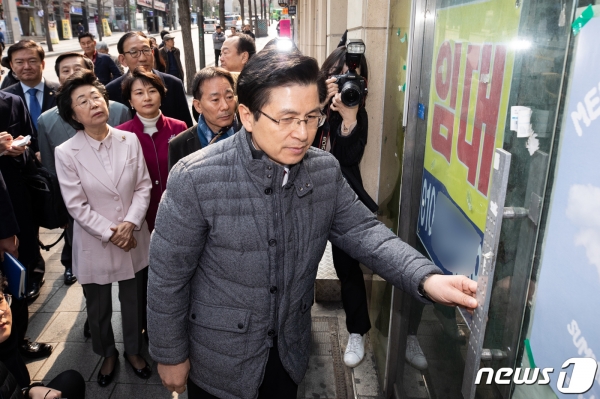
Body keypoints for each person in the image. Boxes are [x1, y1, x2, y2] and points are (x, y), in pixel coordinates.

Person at [147, 49, 478, 398]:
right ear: (246, 115)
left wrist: (426, 278)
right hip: (220, 360)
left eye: (311, 117)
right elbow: (168, 276)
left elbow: (366, 233)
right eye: (286, 119)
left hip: (291, 353)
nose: (302, 134)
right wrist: (170, 355)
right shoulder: (196, 178)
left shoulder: (323, 171)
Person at [54, 70, 153, 387]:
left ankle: (134, 351)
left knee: (134, 300)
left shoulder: (129, 139)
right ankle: (107, 353)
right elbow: (76, 205)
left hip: (133, 236)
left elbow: (143, 187)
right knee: (98, 308)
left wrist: (130, 224)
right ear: (73, 114)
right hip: (96, 241)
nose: (93, 102)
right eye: (83, 100)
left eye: (96, 96)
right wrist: (113, 232)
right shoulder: (66, 152)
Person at [37, 52, 132, 289]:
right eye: (65, 71)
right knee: (94, 285)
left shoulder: (118, 111)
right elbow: (50, 171)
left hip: (123, 211)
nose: (72, 74)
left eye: (77, 69)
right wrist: (61, 212)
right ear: (57, 77)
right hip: (80, 212)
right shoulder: (47, 121)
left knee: (130, 280)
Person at [311, 45, 377, 368]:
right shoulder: (311, 105)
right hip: (305, 197)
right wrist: (320, 106)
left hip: (341, 201)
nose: (350, 81)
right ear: (327, 75)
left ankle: (357, 332)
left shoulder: (356, 112)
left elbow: (351, 159)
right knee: (300, 264)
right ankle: (294, 321)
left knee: (348, 267)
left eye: (356, 76)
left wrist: (348, 119)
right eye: (342, 74)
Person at [0, 55, 53, 361]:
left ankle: (18, 340)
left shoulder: (11, 102)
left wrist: (15, 150)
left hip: (16, 208)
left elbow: (30, 152)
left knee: (16, 277)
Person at [2, 39, 58, 299]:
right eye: (19, 62)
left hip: (19, 190)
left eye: (32, 60)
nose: (26, 67)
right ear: (11, 67)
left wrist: (19, 151)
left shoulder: (11, 103)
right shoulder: (11, 93)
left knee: (23, 246)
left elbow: (25, 143)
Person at [116, 68, 187, 231]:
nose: (147, 98)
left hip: (176, 211)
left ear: (161, 95)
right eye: (139, 93)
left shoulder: (179, 127)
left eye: (152, 91)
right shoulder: (120, 134)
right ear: (130, 101)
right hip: (139, 217)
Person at [0, 276, 87, 398]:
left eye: (0, 300)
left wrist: (28, 392)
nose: (0, 312)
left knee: (71, 379)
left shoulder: (7, 344)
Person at [106, 31, 193, 128]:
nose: (142, 58)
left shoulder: (173, 84)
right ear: (123, 60)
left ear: (152, 53)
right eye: (134, 52)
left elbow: (187, 131)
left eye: (146, 50)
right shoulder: (111, 91)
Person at [168, 67, 239, 169]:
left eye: (229, 97)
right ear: (198, 106)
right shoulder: (179, 145)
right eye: (215, 100)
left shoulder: (252, 135)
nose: (225, 106)